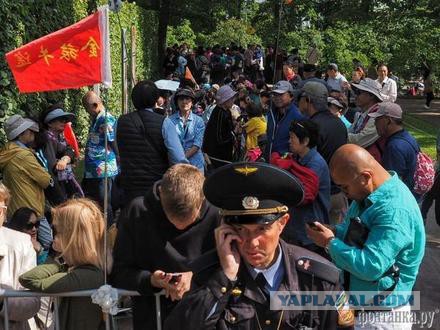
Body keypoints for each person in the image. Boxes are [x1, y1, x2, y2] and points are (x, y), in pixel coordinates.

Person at [164, 162, 341, 329]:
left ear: (282, 223)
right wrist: (224, 278)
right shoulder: (207, 275)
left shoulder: (318, 277)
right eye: (241, 229)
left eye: (262, 229)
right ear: (226, 229)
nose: (252, 242)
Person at [306, 144, 425, 330]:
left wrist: (330, 243)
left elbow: (371, 266)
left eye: (345, 187)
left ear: (365, 177)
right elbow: (357, 232)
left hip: (382, 317)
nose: (345, 193)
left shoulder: (394, 211)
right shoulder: (369, 194)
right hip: (363, 309)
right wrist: (335, 232)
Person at [111, 164, 221, 329]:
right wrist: (152, 280)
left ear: (201, 202)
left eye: (187, 219)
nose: (178, 226)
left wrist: (195, 275)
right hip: (153, 319)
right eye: (173, 217)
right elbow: (119, 274)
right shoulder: (138, 212)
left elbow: (230, 269)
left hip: (203, 320)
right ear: (161, 195)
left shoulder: (216, 214)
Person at [19, 198, 106, 330]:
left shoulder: (82, 275)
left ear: (73, 237)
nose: (54, 237)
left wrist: (58, 263)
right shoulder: (88, 271)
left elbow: (28, 279)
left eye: (58, 232)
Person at [116, 80, 188, 204]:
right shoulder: (165, 123)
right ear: (156, 99)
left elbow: (118, 151)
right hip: (157, 190)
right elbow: (178, 160)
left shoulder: (121, 122)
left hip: (129, 190)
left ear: (133, 99)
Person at [0, 183, 40, 330]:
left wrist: (2, 303)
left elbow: (32, 301)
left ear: (5, 214)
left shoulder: (22, 243)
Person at [368, 102, 420, 199]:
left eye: (377, 119)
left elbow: (391, 185)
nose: (375, 123)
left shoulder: (395, 147)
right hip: (412, 197)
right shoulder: (408, 137)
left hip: (401, 200)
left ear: (388, 120)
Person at [82, 91, 119, 225]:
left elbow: (112, 140)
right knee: (96, 201)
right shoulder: (97, 118)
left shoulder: (105, 118)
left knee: (104, 203)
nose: (87, 112)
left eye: (88, 109)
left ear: (95, 105)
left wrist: (119, 157)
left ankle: (108, 231)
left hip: (103, 168)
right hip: (94, 169)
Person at [38, 104, 83, 205]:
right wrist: (60, 198)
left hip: (62, 184)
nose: (64, 122)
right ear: (49, 123)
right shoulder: (46, 140)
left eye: (64, 120)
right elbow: (50, 169)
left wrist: (65, 159)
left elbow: (69, 150)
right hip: (54, 190)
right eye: (60, 119)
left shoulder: (58, 138)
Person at [266, 80, 306, 159]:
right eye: (275, 94)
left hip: (285, 164)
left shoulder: (297, 116)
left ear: (291, 96)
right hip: (270, 161)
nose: (277, 98)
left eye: (281, 94)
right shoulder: (271, 112)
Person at [348, 78, 385, 163]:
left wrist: (337, 135)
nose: (355, 96)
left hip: (373, 165)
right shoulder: (362, 113)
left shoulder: (377, 116)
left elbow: (359, 141)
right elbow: (352, 130)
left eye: (359, 92)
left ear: (371, 96)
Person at [169, 88, 205, 172]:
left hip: (196, 164)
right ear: (177, 102)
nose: (184, 102)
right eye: (181, 99)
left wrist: (182, 158)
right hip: (176, 164)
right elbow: (169, 143)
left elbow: (197, 144)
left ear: (192, 102)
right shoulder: (170, 121)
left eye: (187, 99)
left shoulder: (199, 120)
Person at [203, 85, 237, 169]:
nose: (233, 100)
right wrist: (234, 134)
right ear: (224, 101)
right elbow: (220, 139)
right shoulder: (220, 113)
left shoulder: (226, 111)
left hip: (223, 155)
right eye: (231, 98)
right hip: (217, 156)